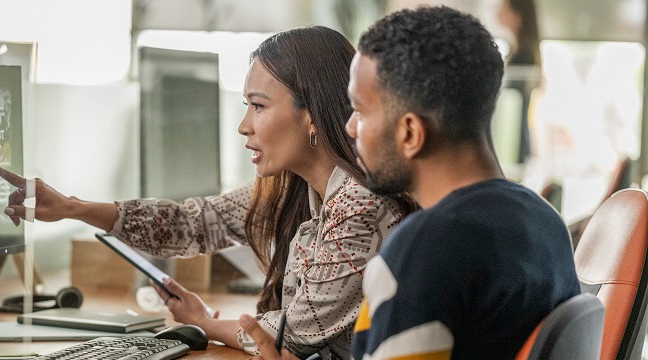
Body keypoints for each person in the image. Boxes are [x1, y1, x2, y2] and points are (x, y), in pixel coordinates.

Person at [0, 25, 415, 359]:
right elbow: (191, 224)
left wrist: (204, 323)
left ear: (313, 115)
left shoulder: (359, 204)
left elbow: (295, 335)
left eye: (258, 106)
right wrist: (72, 208)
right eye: (246, 106)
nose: (244, 126)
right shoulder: (294, 189)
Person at [242, 6, 580, 359]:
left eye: (360, 111)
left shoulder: (424, 250)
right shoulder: (545, 220)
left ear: (410, 134)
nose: (350, 128)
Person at [498, 0, 542, 164]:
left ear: (517, 16)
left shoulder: (523, 57)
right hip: (514, 139)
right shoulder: (516, 52)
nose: (498, 13)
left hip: (513, 140)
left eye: (503, 8)